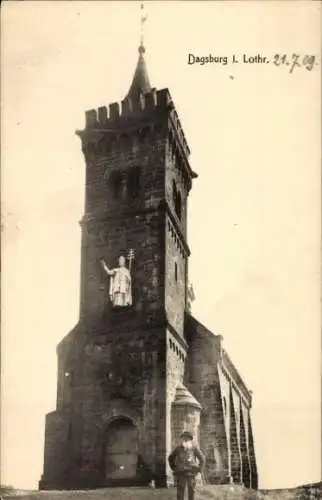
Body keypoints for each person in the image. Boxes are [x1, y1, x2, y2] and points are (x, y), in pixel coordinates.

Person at [168, 431, 205, 500]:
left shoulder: (194, 448)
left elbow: (202, 458)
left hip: (191, 472)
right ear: (182, 439)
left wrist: (199, 468)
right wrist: (174, 467)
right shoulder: (178, 448)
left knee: (191, 489)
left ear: (190, 439)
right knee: (180, 489)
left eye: (187, 438)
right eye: (184, 438)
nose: (185, 440)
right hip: (181, 472)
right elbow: (170, 458)